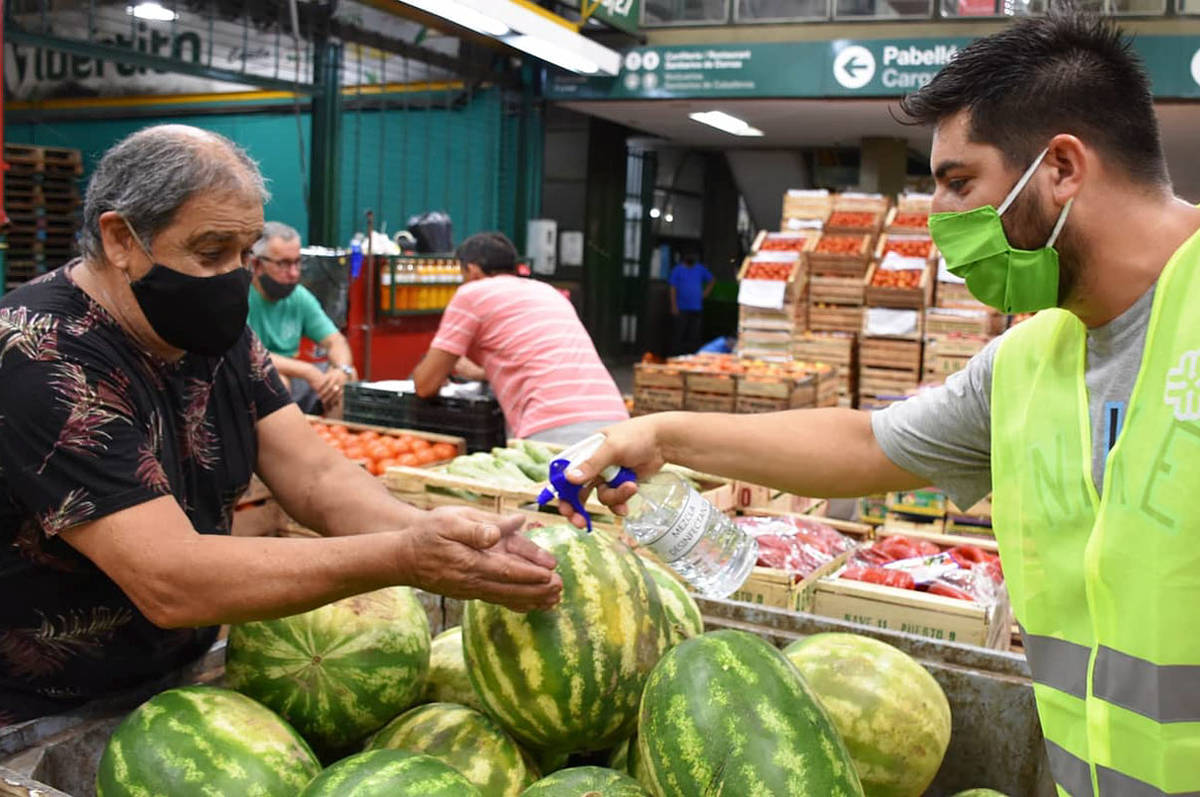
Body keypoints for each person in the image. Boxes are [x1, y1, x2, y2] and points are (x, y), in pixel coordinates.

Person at [560, 13, 1200, 796]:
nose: (936, 215)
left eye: (959, 181)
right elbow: (868, 443)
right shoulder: (1029, 363)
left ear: (1061, 166)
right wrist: (661, 432)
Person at [0, 126, 560, 726]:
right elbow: (169, 577)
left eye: (245, 252)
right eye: (211, 252)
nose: (235, 277)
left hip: (175, 682)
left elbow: (315, 474)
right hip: (42, 715)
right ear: (120, 239)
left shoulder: (215, 337)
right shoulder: (40, 355)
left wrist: (438, 534)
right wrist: (404, 557)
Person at [412, 232, 628, 446]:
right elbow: (540, 360)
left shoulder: (472, 293)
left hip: (553, 428)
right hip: (616, 423)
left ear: (472, 269)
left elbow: (425, 385)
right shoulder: (546, 291)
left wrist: (438, 368)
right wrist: (481, 373)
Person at [247, 222, 355, 415]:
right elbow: (247, 355)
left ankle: (336, 439)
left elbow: (335, 341)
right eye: (283, 264)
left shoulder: (298, 296)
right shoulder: (241, 298)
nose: (294, 273)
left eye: (297, 262)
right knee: (275, 381)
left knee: (344, 380)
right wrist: (307, 371)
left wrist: (341, 369)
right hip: (252, 377)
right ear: (257, 264)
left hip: (294, 373)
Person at [668, 252, 713, 356]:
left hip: (696, 307)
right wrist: (674, 306)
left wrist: (705, 293)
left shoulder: (699, 269)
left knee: (694, 335)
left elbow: (711, 280)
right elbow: (672, 288)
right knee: (679, 333)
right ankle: (676, 355)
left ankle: (691, 356)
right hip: (681, 307)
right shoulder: (677, 270)